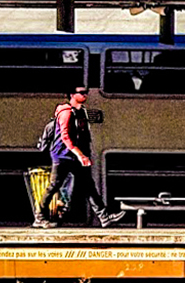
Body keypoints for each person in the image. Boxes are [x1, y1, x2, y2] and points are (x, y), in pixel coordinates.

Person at [38, 87, 126, 228]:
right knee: (54, 186)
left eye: (86, 92)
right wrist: (80, 155)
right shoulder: (66, 112)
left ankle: (104, 217)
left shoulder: (81, 112)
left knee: (88, 186)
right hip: (62, 156)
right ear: (72, 95)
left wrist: (84, 153)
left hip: (76, 157)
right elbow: (65, 137)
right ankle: (40, 217)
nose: (85, 95)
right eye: (81, 93)